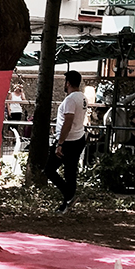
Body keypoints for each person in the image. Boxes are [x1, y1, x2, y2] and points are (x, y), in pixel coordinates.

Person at [45, 70, 88, 211]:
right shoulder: (83, 98)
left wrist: (60, 143)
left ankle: (69, 195)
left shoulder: (70, 99)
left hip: (68, 141)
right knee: (70, 172)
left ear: (68, 83)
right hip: (79, 137)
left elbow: (68, 122)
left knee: (49, 170)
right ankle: (67, 203)